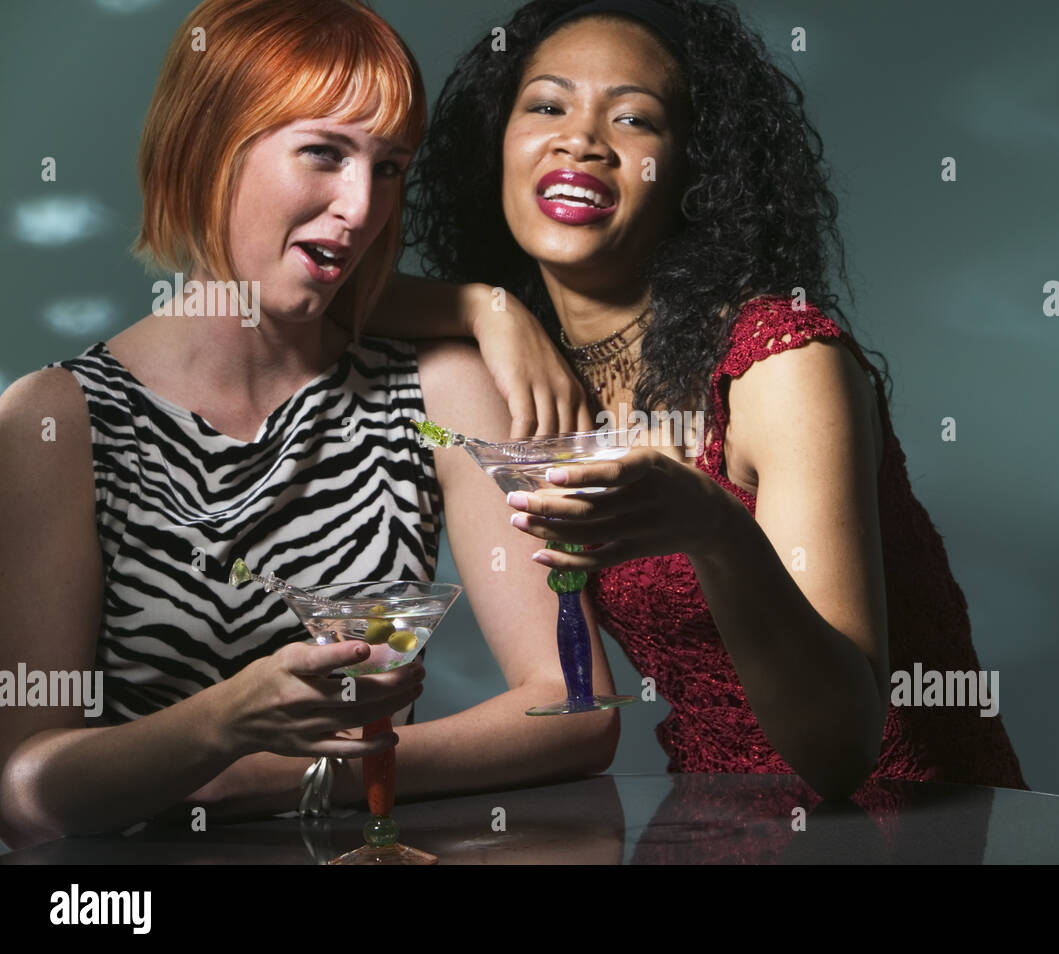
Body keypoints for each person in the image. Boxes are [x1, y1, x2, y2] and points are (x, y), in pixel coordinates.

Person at [0, 0, 615, 850]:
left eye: (390, 167)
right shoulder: (56, 423)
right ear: (209, 148)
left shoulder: (435, 395)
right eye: (323, 154)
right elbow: (25, 793)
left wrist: (299, 773)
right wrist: (223, 723)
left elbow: (575, 708)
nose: (361, 207)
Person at [403, 0, 1028, 801]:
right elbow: (314, 298)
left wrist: (715, 527)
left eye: (634, 120)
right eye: (547, 105)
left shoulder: (780, 364)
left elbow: (843, 755)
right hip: (707, 825)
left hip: (897, 830)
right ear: (494, 147)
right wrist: (479, 305)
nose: (582, 140)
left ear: (695, 174)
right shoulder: (532, 373)